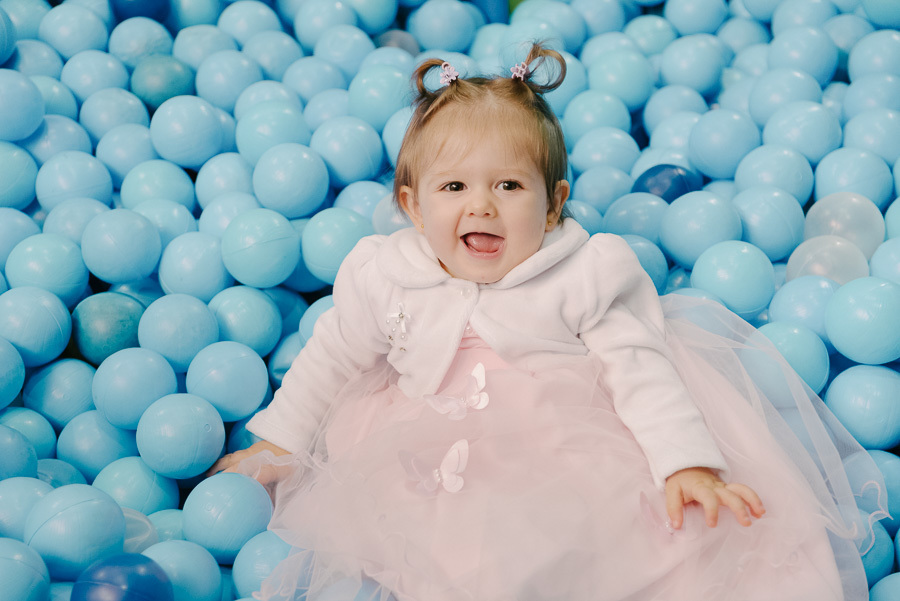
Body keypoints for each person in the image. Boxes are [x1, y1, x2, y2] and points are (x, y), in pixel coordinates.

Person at [211, 44, 884, 601]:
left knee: (626, 543)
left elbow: (641, 370)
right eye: (455, 188)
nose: (482, 206)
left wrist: (687, 464)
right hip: (426, 446)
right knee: (444, 545)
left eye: (509, 186)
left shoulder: (585, 272)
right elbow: (332, 355)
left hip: (562, 441)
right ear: (413, 206)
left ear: (554, 202)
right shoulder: (384, 273)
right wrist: (280, 439)